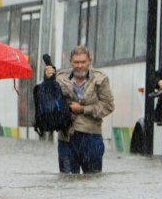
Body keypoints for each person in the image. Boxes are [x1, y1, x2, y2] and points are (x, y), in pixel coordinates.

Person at [43, 46, 115, 174]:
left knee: (93, 182)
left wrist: (83, 109)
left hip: (91, 138)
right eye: (76, 62)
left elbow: (108, 106)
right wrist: (48, 80)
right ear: (71, 62)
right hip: (66, 139)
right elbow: (47, 100)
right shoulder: (59, 77)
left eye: (83, 62)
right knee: (67, 181)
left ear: (89, 61)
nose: (80, 66)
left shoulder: (100, 79)